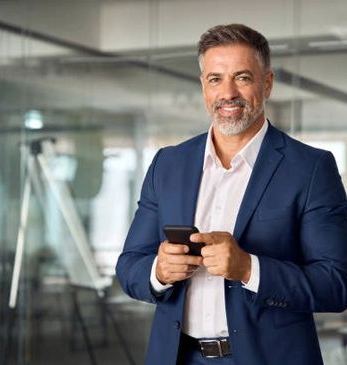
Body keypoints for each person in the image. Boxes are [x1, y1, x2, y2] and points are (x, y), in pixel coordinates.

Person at [116, 23, 347, 365]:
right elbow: (129, 266)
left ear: (266, 83)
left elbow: (336, 283)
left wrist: (248, 268)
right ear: (203, 86)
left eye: (242, 77)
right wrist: (159, 272)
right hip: (176, 356)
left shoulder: (310, 168)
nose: (228, 93)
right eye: (215, 79)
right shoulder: (168, 164)